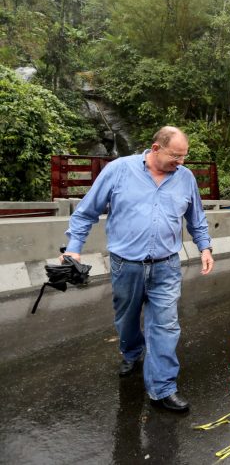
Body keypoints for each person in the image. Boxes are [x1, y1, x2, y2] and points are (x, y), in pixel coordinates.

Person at [62, 126, 214, 412]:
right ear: (156, 149)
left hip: (166, 266)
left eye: (184, 157)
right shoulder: (119, 170)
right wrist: (73, 247)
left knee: (166, 325)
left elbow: (196, 217)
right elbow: (86, 211)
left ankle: (163, 388)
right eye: (175, 156)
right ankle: (131, 351)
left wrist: (205, 247)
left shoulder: (185, 178)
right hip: (126, 265)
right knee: (127, 320)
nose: (180, 163)